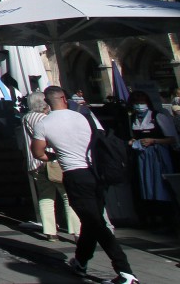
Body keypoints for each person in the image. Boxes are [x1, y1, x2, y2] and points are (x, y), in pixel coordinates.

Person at [31, 85, 137, 284]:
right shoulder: (84, 116)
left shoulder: (44, 124)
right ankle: (80, 263)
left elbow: (38, 152)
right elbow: (101, 139)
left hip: (74, 174)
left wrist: (55, 156)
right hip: (96, 173)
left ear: (47, 102)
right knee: (91, 220)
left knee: (96, 224)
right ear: (64, 98)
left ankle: (125, 272)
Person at [22, 91, 80, 242]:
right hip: (51, 160)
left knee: (46, 196)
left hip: (35, 164)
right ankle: (76, 231)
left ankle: (50, 231)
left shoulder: (26, 117)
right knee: (67, 195)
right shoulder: (44, 118)